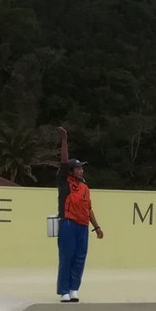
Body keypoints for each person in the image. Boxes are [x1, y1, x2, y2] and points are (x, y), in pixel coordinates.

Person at [56, 126, 103, 302]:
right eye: (78, 168)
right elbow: (63, 161)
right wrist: (64, 140)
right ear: (71, 171)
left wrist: (96, 227)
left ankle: (74, 289)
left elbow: (88, 208)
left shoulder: (84, 187)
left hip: (83, 226)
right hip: (68, 224)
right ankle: (63, 291)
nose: (81, 170)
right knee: (66, 257)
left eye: (81, 168)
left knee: (79, 258)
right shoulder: (65, 182)